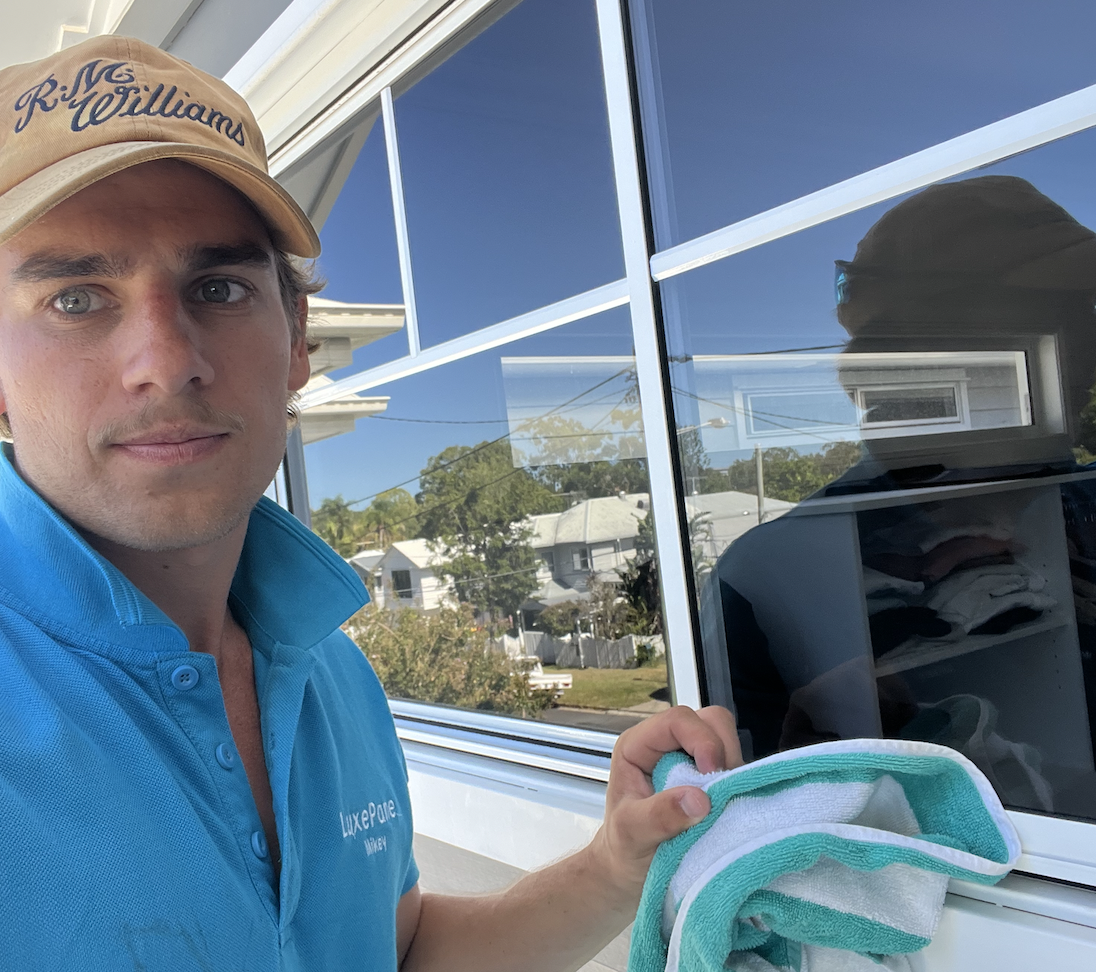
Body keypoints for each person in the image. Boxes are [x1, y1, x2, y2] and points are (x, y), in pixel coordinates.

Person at [0, 36, 740, 970]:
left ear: (298, 336)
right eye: (75, 299)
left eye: (218, 286)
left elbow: (394, 951)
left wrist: (613, 867)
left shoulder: (330, 675)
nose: (166, 361)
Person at [704, 174, 1096, 816]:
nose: (1087, 348)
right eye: (1062, 314)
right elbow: (763, 831)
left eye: (1085, 314)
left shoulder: (1079, 499)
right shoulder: (771, 579)